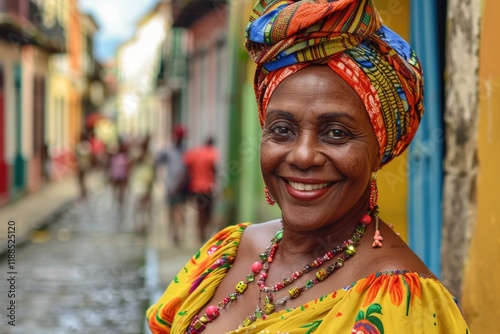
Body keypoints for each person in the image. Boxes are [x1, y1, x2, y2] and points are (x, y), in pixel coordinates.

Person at [146, 0, 471, 333]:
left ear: (379, 150)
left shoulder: (401, 305)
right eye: (282, 130)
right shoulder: (230, 250)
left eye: (336, 133)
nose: (302, 156)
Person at [156, 125, 190, 245]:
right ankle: (173, 234)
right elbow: (157, 162)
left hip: (181, 187)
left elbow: (186, 171)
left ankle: (179, 234)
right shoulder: (168, 150)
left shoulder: (185, 151)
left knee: (179, 211)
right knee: (171, 211)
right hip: (170, 186)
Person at [184, 136, 219, 244]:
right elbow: (214, 170)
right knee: (208, 212)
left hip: (196, 187)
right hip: (208, 188)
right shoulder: (211, 153)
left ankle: (200, 234)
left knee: (200, 212)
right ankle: (204, 234)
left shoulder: (196, 153)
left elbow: (187, 165)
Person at [130, 135, 155, 232]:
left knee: (147, 202)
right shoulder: (138, 153)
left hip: (148, 181)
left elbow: (153, 167)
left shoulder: (150, 154)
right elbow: (134, 161)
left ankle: (144, 220)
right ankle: (138, 221)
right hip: (139, 181)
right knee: (140, 201)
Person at [75, 132, 93, 200]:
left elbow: (88, 156)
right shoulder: (84, 145)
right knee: (81, 180)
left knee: (83, 179)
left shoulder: (85, 145)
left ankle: (84, 193)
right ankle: (83, 192)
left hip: (83, 165)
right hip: (81, 165)